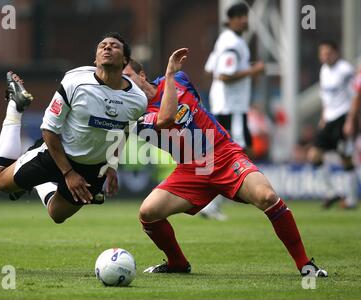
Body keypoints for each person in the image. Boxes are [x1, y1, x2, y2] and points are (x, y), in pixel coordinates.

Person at [123, 48, 328, 277]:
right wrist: (170, 74)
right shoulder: (134, 115)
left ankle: (305, 266)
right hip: (191, 170)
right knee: (148, 212)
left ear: (142, 75)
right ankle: (177, 263)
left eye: (129, 77)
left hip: (223, 154)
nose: (126, 85)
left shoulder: (180, 79)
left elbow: (197, 109)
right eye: (122, 82)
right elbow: (167, 117)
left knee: (267, 197)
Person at [0, 32, 147, 223]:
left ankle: (38, 184)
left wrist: (112, 164)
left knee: (57, 215)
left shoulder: (138, 100)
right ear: (96, 59)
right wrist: (68, 173)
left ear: (125, 59)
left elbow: (123, 131)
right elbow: (49, 130)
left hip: (93, 168)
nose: (107, 47)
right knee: (1, 183)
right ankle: (15, 106)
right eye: (102, 45)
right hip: (54, 153)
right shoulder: (75, 83)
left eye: (114, 46)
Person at [200, 2, 265, 220]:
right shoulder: (233, 43)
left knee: (227, 155)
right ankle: (211, 203)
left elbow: (210, 69)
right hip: (231, 107)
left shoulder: (223, 41)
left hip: (224, 105)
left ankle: (211, 201)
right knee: (234, 155)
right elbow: (224, 75)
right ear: (231, 20)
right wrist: (253, 70)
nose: (245, 20)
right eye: (240, 16)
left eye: (245, 16)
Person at [307, 40, 358, 209]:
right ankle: (331, 193)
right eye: (322, 53)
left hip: (343, 117)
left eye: (328, 53)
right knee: (314, 155)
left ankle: (351, 200)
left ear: (336, 53)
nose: (324, 56)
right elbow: (325, 97)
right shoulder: (324, 70)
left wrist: (351, 120)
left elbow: (356, 95)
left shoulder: (345, 70)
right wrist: (323, 116)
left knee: (345, 157)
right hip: (329, 118)